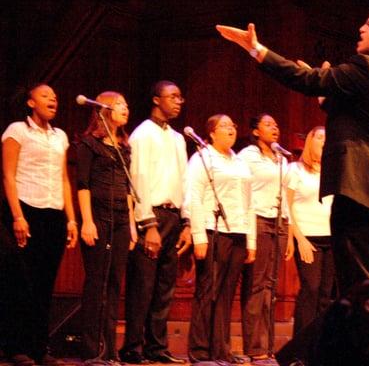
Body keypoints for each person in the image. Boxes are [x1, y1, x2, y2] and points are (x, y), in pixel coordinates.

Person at [216, 0, 369, 297]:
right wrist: (327, 96)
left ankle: (362, 341)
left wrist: (256, 49)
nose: (362, 28)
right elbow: (361, 115)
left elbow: (307, 80)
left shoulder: (366, 66)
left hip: (360, 189)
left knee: (358, 284)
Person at [1, 83, 78, 366]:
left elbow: (63, 179)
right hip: (26, 211)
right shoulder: (17, 131)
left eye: (55, 96)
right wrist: (18, 216)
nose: (53, 99)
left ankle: (39, 347)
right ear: (31, 102)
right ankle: (15, 347)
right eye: (45, 95)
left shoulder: (60, 136)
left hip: (54, 213)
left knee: (45, 285)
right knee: (22, 283)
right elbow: (9, 175)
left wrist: (71, 218)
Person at [119, 80, 192, 365]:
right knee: (143, 286)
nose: (178, 101)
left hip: (173, 216)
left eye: (180, 96)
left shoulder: (176, 137)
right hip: (152, 216)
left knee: (164, 287)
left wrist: (187, 221)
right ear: (155, 99)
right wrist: (148, 223)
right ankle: (133, 347)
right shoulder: (142, 134)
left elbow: (185, 180)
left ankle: (156, 347)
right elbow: (138, 179)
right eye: (172, 96)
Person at [187, 114, 256, 365]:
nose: (231, 129)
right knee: (208, 291)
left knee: (227, 294)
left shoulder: (239, 162)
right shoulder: (203, 158)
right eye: (224, 126)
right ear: (212, 133)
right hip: (212, 230)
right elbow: (193, 196)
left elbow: (250, 202)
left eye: (233, 125)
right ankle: (200, 351)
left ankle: (221, 350)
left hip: (237, 231)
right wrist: (198, 236)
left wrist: (251, 241)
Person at [76, 91, 136, 363]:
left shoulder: (124, 148)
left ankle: (110, 351)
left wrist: (132, 226)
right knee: (97, 284)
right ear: (104, 110)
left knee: (114, 285)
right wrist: (86, 221)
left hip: (122, 219)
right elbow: (83, 185)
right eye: (119, 104)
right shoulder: (89, 144)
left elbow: (126, 190)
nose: (125, 108)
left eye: (126, 104)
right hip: (98, 217)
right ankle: (93, 351)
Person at [238, 113, 289, 365]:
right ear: (256, 131)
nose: (275, 128)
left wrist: (288, 225)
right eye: (268, 124)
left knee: (271, 286)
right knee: (256, 285)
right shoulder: (248, 155)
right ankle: (254, 346)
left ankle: (268, 346)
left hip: (279, 223)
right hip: (258, 220)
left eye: (276, 124)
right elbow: (241, 187)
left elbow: (284, 193)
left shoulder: (281, 158)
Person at [284, 126, 334, 335]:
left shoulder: (332, 171)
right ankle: (301, 345)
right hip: (307, 237)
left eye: (326, 137)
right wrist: (299, 238)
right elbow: (287, 207)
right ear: (310, 141)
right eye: (320, 137)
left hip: (331, 238)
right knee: (311, 289)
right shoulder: (295, 169)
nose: (324, 141)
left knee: (325, 294)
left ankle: (319, 346)